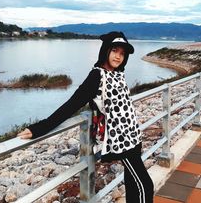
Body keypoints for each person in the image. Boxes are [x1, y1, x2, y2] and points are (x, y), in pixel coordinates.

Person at [17, 31, 154, 203]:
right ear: (106, 50)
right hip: (120, 141)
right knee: (145, 185)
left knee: (133, 184)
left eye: (122, 53)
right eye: (114, 51)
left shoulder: (119, 74)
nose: (118, 57)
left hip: (133, 135)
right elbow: (71, 105)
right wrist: (39, 128)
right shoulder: (96, 76)